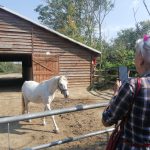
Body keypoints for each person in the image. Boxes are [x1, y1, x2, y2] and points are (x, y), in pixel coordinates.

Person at [102, 34, 150, 150]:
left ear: (141, 59)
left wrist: (116, 93)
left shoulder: (132, 85)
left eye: (135, 55)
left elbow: (107, 120)